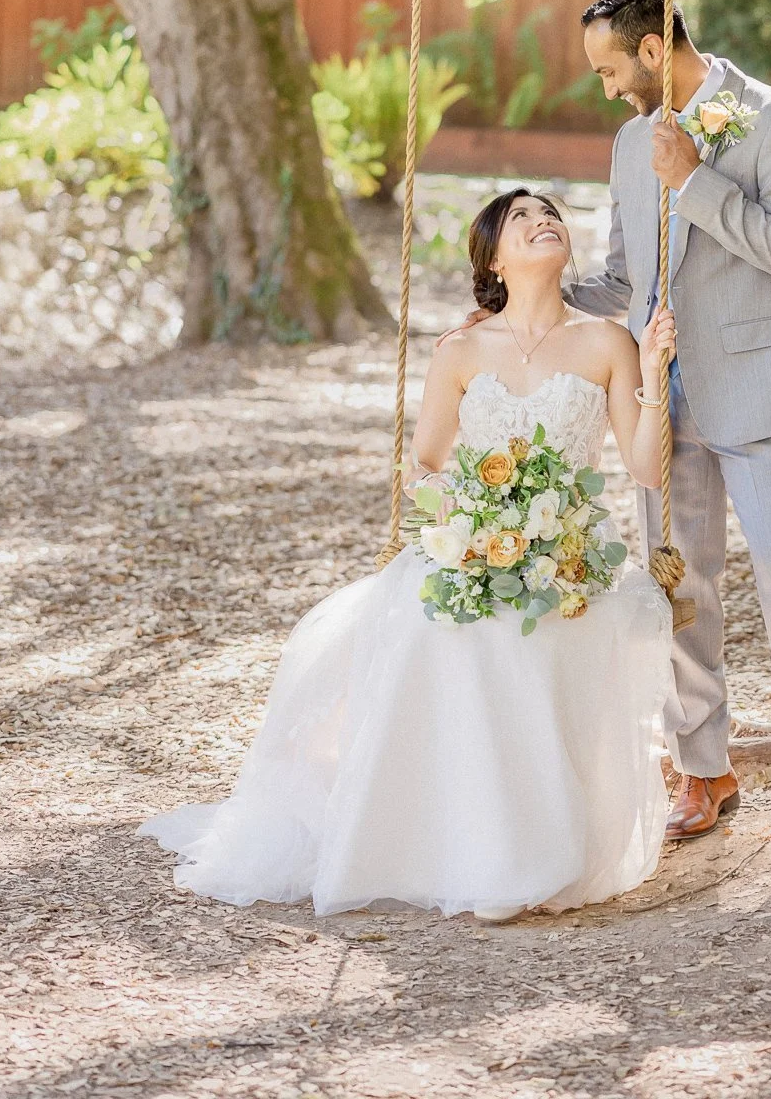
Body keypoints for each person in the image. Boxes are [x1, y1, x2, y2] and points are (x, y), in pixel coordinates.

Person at [141, 188, 676, 922]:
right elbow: (426, 464)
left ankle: (532, 849)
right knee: (438, 628)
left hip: (569, 556)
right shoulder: (459, 352)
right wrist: (471, 521)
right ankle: (450, 840)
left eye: (549, 213)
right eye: (520, 218)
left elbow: (647, 471)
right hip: (476, 549)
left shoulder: (607, 342)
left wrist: (652, 372)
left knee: (539, 636)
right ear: (493, 256)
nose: (542, 220)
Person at [570, 0, 771, 858]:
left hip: (761, 389)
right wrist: (525, 298)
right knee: (679, 585)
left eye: (609, 68)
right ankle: (703, 767)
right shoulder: (631, 144)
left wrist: (696, 182)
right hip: (663, 398)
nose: (606, 88)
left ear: (654, 52)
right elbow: (627, 280)